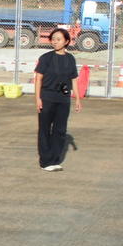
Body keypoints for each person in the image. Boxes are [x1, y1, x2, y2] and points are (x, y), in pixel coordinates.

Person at [34, 28, 82, 171]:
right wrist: (38, 99)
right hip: (47, 97)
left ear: (66, 41)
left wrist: (77, 99)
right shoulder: (46, 58)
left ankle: (55, 159)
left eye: (58, 39)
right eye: (53, 39)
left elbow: (74, 80)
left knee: (60, 130)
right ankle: (45, 162)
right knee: (44, 129)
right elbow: (38, 79)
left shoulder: (70, 59)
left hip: (63, 99)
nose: (55, 42)